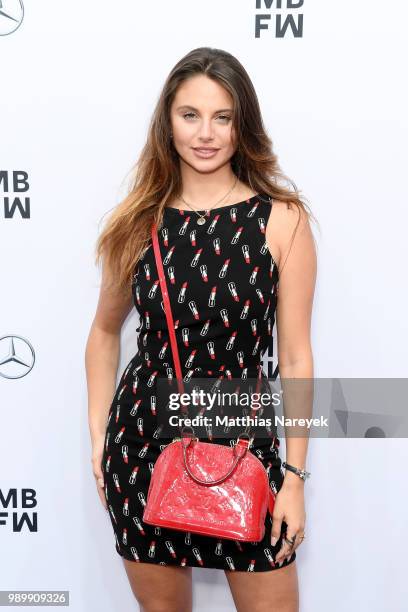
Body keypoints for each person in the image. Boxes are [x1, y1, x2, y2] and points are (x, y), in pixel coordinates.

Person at [85, 47, 317, 612]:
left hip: (245, 443)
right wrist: (99, 437)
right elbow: (103, 333)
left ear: (244, 124)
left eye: (223, 117)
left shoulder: (282, 218)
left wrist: (294, 478)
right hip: (143, 443)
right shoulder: (138, 222)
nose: (205, 133)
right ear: (167, 121)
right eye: (190, 115)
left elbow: (294, 359)